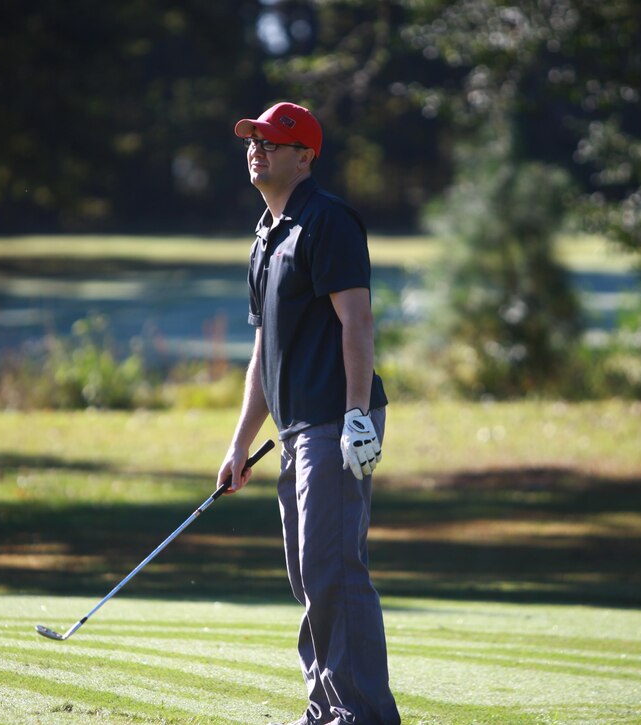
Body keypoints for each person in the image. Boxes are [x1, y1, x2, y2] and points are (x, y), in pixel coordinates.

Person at [217, 102, 400, 725]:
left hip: (335, 424)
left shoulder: (328, 221)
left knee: (333, 569)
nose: (257, 150)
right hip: (296, 431)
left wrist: (356, 416)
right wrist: (240, 442)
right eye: (253, 141)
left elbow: (357, 321)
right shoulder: (267, 237)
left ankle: (363, 715)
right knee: (308, 575)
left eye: (272, 142)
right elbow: (265, 349)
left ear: (305, 155)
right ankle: (327, 709)